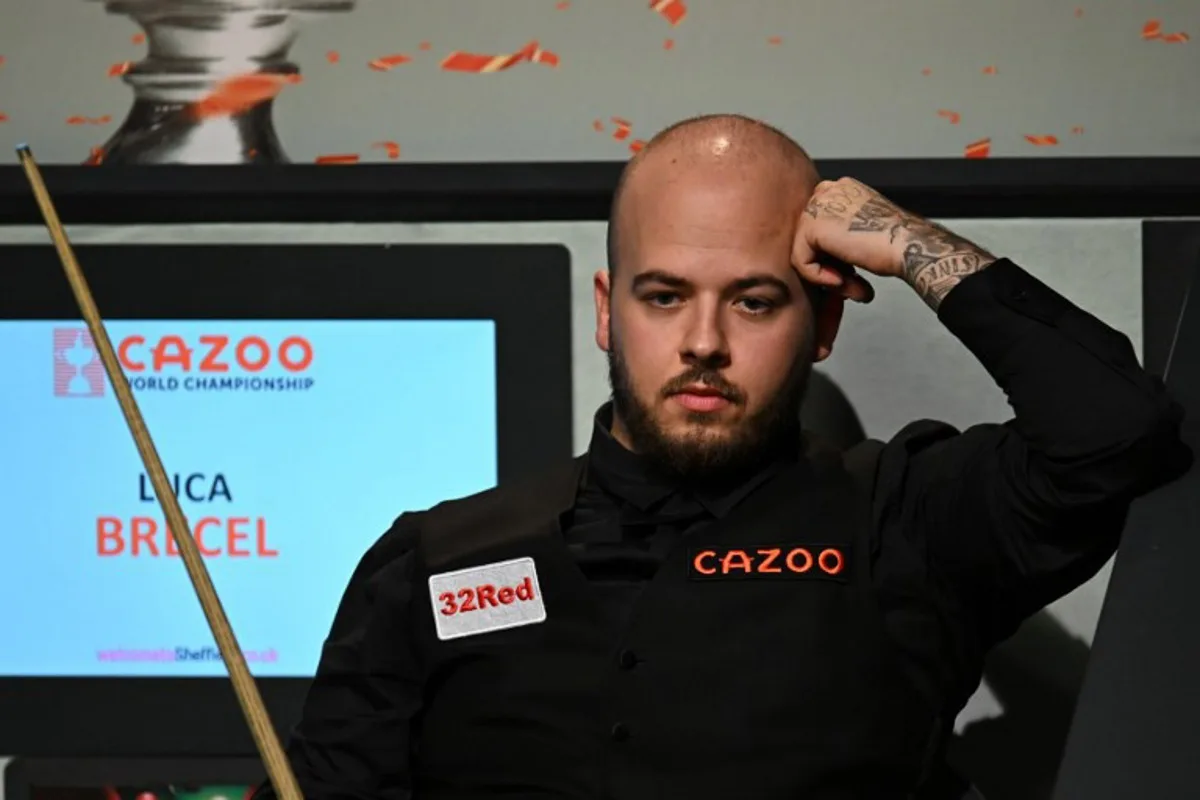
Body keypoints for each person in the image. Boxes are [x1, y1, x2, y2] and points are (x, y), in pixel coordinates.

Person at [256, 114, 1190, 799]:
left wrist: (905, 241)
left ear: (822, 320)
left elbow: (1118, 428)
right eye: (663, 296)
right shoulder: (435, 560)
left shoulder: (904, 520)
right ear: (605, 309)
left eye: (753, 300)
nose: (703, 340)